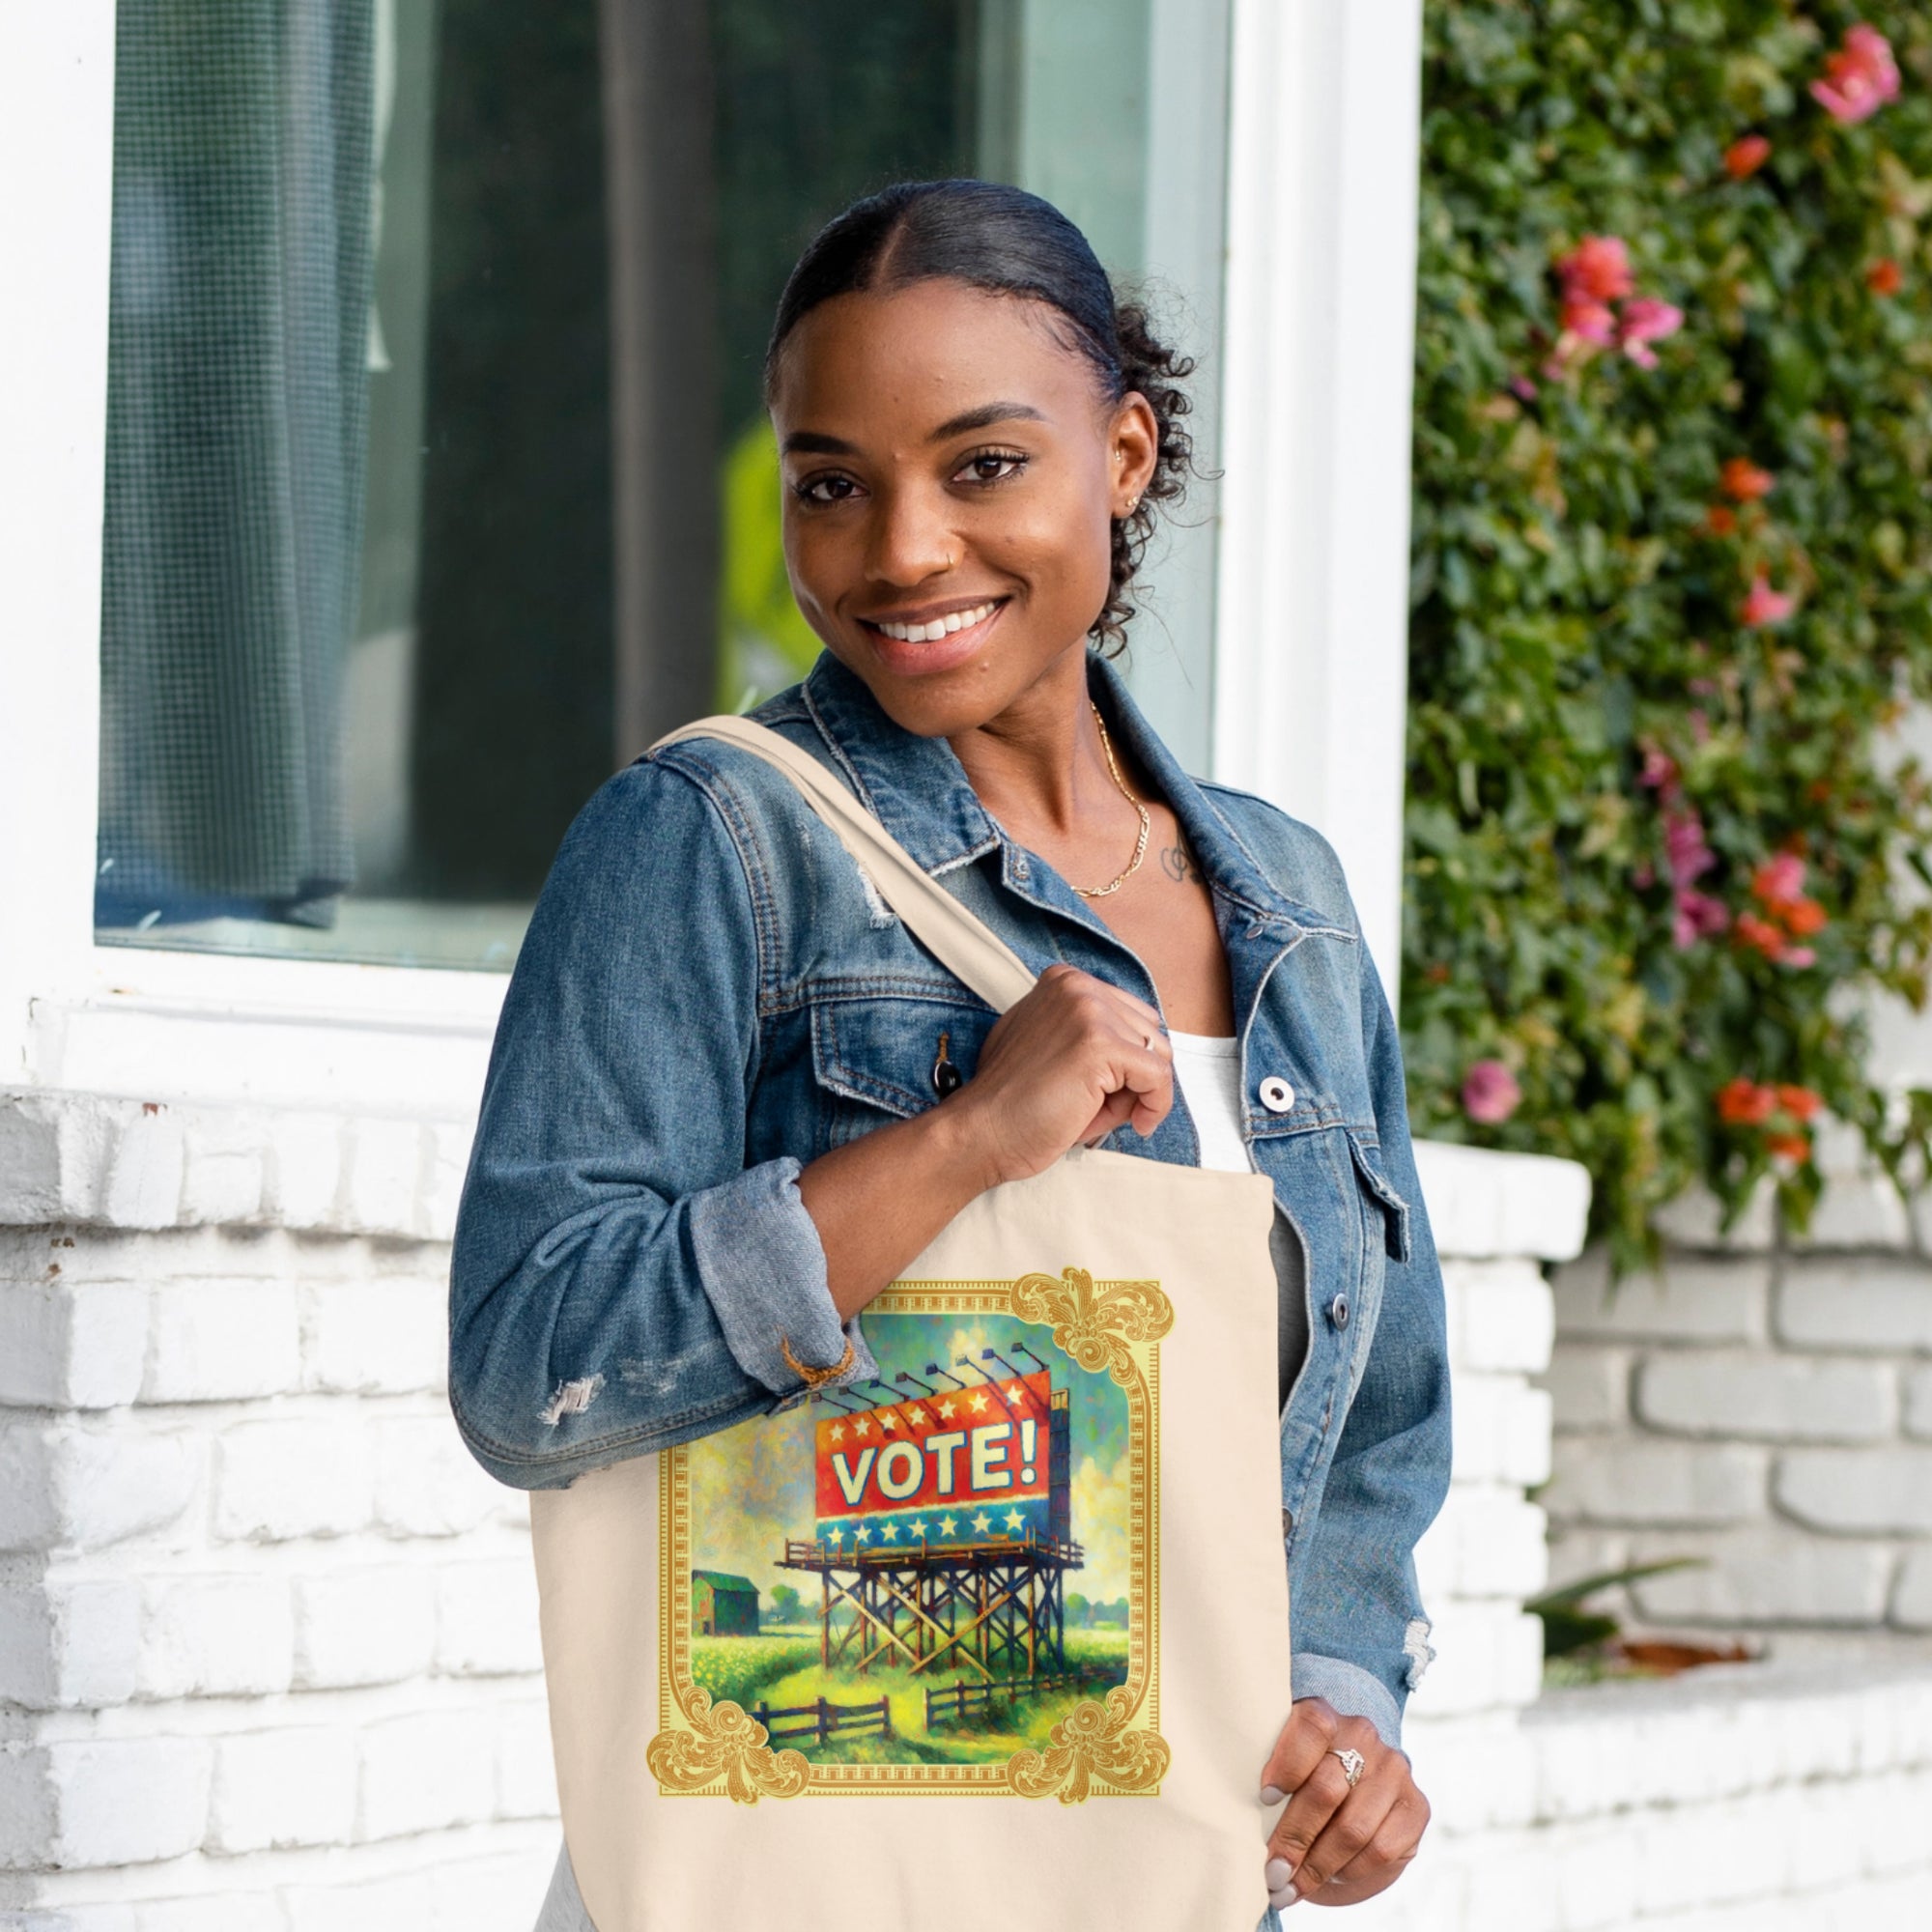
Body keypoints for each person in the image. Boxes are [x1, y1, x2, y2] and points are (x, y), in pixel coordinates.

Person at [449, 179, 1450, 1929]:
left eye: (982, 465)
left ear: (1123, 456)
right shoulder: (708, 840)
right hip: (816, 1869)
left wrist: (1347, 1725)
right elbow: (531, 1364)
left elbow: (1377, 1427)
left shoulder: (1285, 900)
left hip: (1172, 1881)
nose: (901, 549)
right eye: (831, 485)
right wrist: (967, 1139)